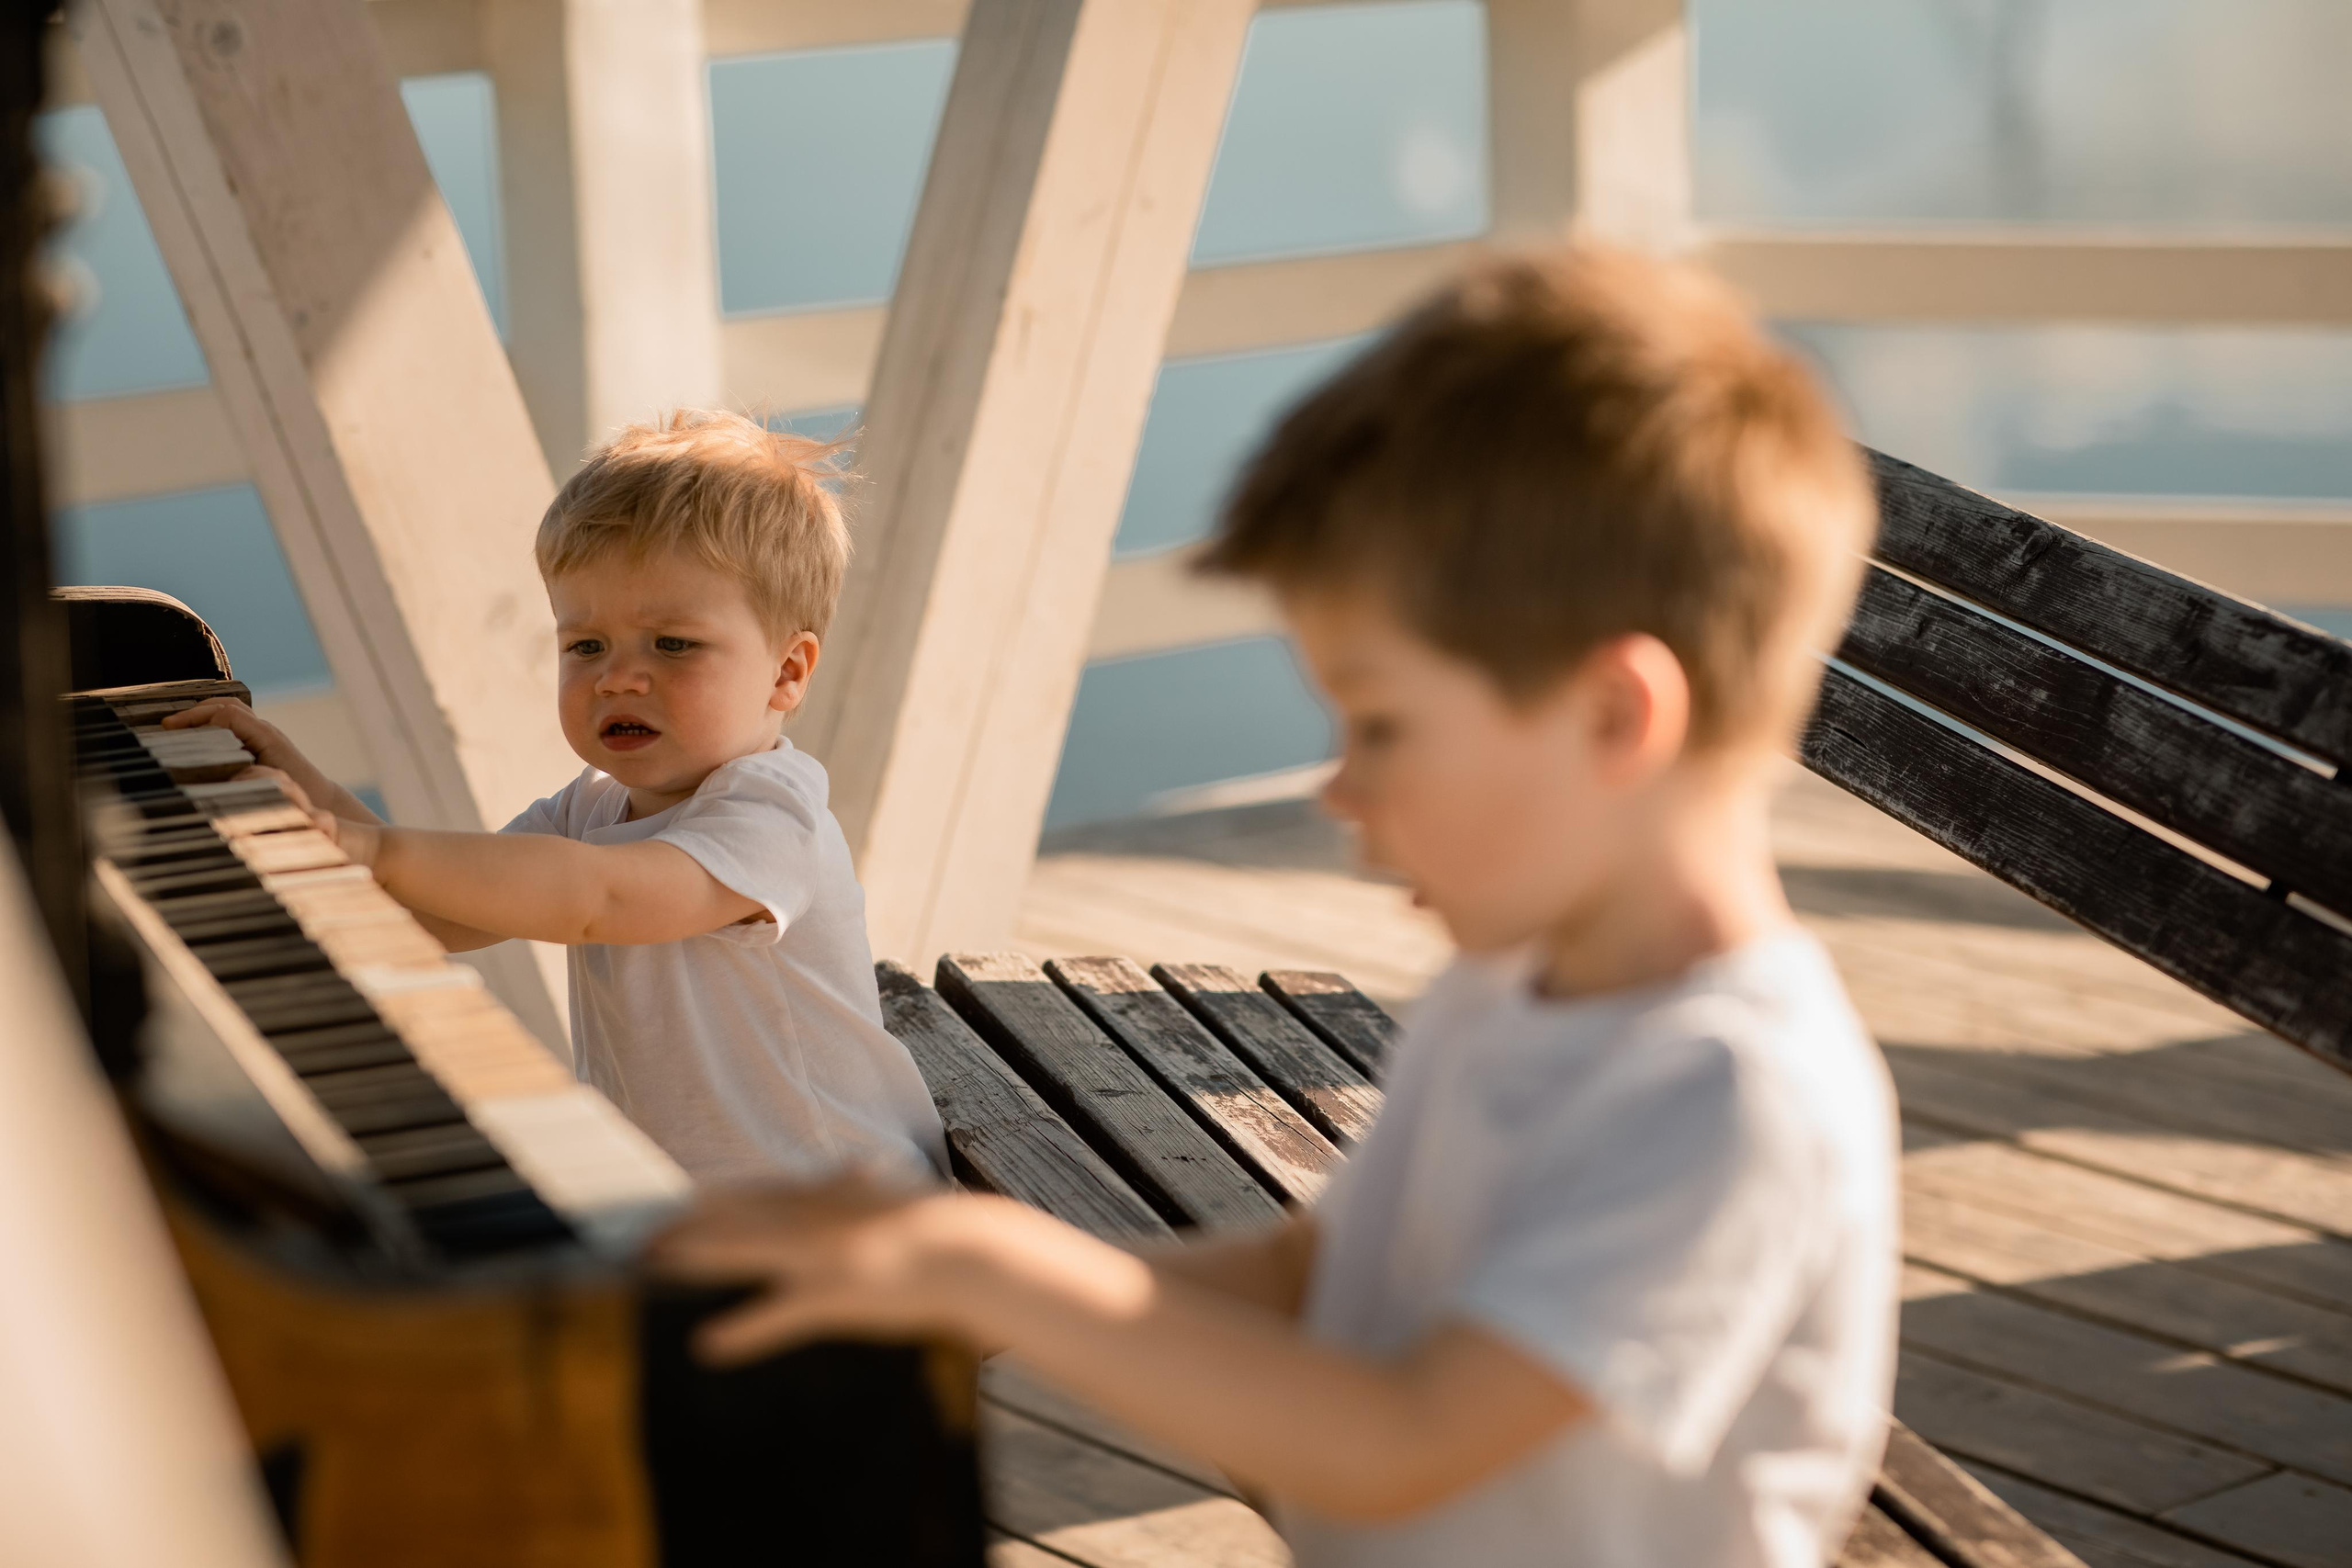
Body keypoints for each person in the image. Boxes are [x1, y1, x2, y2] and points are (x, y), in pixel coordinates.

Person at [652, 248, 1899, 1567]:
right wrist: (937, 1289)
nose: (1340, 783)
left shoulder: (1729, 1095)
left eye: (1380, 720)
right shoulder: (1515, 987)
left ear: (1612, 716)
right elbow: (1324, 1281)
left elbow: (1407, 1429)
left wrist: (987, 1266)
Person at [164, 411, 946, 1190]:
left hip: (843, 1208)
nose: (618, 677)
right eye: (586, 645)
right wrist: (315, 797)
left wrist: (367, 848)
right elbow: (443, 910)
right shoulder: (592, 809)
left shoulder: (774, 813)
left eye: (672, 643)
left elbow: (597, 898)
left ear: (787, 672)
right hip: (697, 1211)